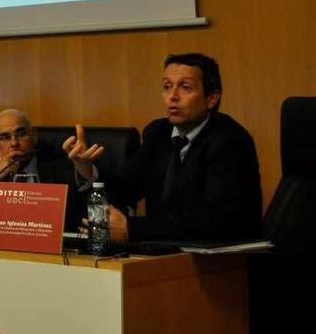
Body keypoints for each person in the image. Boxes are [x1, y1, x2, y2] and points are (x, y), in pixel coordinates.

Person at [64, 53, 262, 242]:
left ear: (212, 98)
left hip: (223, 264)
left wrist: (132, 229)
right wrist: (87, 170)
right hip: (165, 257)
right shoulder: (158, 134)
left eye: (185, 87)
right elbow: (123, 190)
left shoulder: (230, 141)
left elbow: (216, 221)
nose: (173, 96)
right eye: (167, 87)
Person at [0, 109, 99, 230]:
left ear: (34, 136)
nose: (14, 143)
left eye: (21, 134)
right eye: (5, 138)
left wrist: (84, 168)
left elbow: (85, 184)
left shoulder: (59, 165)